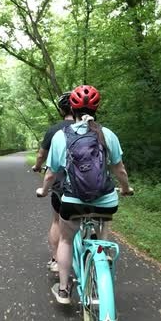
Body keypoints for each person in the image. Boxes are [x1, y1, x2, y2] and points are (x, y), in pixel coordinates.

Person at [35, 85, 133, 304]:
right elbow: (120, 171)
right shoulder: (108, 134)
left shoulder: (61, 136)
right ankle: (103, 253)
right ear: (97, 109)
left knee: (66, 240)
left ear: (72, 109)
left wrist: (43, 190)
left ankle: (63, 291)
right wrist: (126, 188)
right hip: (106, 201)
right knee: (104, 218)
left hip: (73, 202)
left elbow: (51, 174)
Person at [32, 91, 74, 273]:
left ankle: (56, 260)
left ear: (61, 110)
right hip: (92, 185)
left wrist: (37, 167)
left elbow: (41, 155)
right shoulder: (93, 129)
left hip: (62, 185)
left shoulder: (54, 130)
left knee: (57, 221)